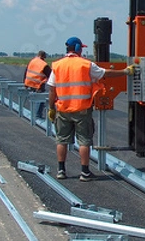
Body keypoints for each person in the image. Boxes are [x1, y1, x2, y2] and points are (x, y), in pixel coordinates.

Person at [47, 37, 135, 182]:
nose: (81, 50)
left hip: (63, 109)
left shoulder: (57, 65)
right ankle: (85, 172)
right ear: (76, 48)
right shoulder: (86, 65)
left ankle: (61, 170)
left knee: (61, 140)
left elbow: (52, 90)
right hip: (82, 109)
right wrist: (125, 72)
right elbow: (105, 73)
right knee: (84, 141)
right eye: (80, 48)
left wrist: (51, 108)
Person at [23, 50, 51, 118]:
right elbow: (50, 75)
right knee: (41, 99)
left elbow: (26, 72)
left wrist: (25, 82)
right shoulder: (43, 64)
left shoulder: (32, 61)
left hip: (29, 83)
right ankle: (38, 115)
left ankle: (33, 114)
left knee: (33, 99)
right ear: (43, 57)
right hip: (38, 85)